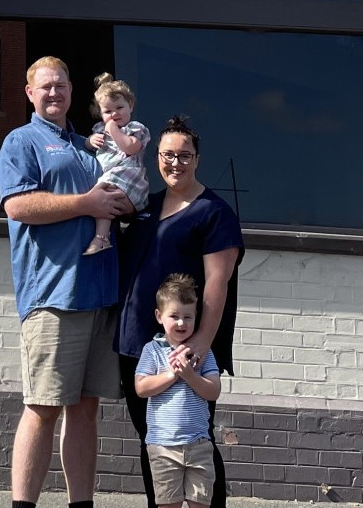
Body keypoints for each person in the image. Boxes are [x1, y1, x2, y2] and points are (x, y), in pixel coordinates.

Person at [0, 57, 136, 508]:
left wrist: (121, 202)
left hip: (100, 295)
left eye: (60, 85)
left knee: (87, 408)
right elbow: (18, 207)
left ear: (72, 91)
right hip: (54, 295)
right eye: (45, 87)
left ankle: (82, 504)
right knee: (43, 407)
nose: (53, 93)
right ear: (30, 94)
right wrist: (87, 202)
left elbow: (115, 198)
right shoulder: (22, 141)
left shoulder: (87, 146)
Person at [115, 116, 244, 508]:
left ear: (197, 159)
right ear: (157, 157)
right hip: (138, 346)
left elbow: (217, 284)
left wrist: (200, 345)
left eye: (184, 155)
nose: (176, 163)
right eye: (168, 155)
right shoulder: (145, 206)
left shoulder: (213, 212)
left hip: (187, 348)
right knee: (153, 439)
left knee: (194, 439)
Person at [133, 274, 223, 508]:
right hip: (162, 447)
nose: (182, 323)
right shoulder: (152, 350)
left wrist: (190, 376)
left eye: (188, 317)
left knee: (201, 504)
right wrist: (173, 374)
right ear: (159, 316)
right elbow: (141, 388)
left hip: (199, 445)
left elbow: (213, 391)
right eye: (174, 316)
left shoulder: (202, 352)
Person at [84, 74, 151, 255]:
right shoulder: (99, 129)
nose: (114, 114)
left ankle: (101, 238)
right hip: (111, 178)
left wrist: (113, 130)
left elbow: (130, 147)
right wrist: (91, 141)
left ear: (131, 105)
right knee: (100, 197)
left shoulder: (136, 128)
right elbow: (87, 145)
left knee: (103, 196)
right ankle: (103, 237)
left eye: (119, 107)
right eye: (107, 111)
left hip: (128, 177)